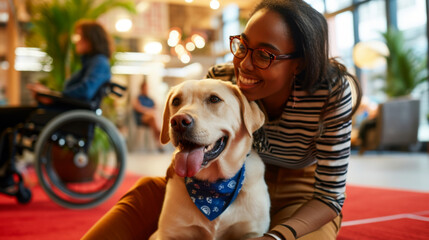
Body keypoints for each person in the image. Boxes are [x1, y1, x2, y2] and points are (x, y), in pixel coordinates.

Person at [82, 0, 362, 239]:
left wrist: (277, 235)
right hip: (217, 179)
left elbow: (329, 196)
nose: (245, 64)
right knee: (146, 191)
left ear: (299, 63)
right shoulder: (222, 79)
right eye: (242, 46)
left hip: (299, 191)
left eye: (265, 54)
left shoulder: (330, 92)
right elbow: (195, 137)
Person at [0, 20, 113, 194]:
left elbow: (85, 91)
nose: (76, 40)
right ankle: (5, 175)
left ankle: (5, 177)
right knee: (7, 121)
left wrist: (51, 97)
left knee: (5, 117)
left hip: (62, 114)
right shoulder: (92, 63)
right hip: (60, 110)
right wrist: (49, 95)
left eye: (79, 36)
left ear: (91, 39)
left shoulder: (99, 62)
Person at [132, 79, 163, 151]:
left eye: (147, 88)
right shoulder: (137, 98)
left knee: (153, 118)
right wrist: (149, 111)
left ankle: (158, 144)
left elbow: (156, 108)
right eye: (145, 88)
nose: (146, 90)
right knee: (153, 116)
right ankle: (160, 133)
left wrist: (151, 112)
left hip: (151, 120)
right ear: (142, 88)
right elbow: (138, 108)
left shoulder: (151, 99)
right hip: (141, 119)